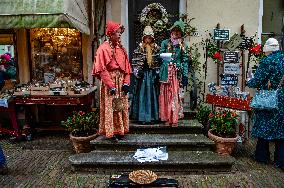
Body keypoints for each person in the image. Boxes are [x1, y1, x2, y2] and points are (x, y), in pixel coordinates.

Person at [247, 38, 284, 170]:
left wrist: (249, 81)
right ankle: (281, 160)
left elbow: (258, 81)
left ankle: (262, 156)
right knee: (281, 129)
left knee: (263, 124)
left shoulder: (267, 61)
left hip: (271, 99)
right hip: (282, 98)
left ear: (267, 50)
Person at [92, 20, 132, 141]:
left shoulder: (121, 49)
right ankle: (111, 132)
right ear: (110, 34)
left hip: (120, 82)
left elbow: (127, 68)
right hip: (110, 82)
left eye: (120, 32)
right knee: (111, 106)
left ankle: (121, 129)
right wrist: (111, 85)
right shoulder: (103, 48)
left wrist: (126, 83)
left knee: (120, 106)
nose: (119, 35)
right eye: (117, 32)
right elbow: (101, 69)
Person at [159, 20, 189, 126]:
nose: (176, 33)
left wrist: (185, 75)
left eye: (178, 31)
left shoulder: (183, 46)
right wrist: (167, 58)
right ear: (171, 31)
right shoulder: (165, 43)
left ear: (181, 33)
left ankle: (174, 118)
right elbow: (160, 55)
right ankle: (167, 117)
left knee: (174, 95)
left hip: (176, 74)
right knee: (166, 95)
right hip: (166, 72)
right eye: (175, 30)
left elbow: (185, 60)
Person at [130, 26, 161, 124]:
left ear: (152, 38)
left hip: (151, 75)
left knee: (152, 96)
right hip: (143, 75)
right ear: (143, 38)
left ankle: (152, 116)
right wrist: (137, 71)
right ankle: (141, 116)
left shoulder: (156, 48)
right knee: (142, 96)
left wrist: (157, 72)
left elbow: (159, 61)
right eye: (146, 37)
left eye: (149, 37)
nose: (148, 39)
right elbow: (135, 61)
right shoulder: (139, 48)